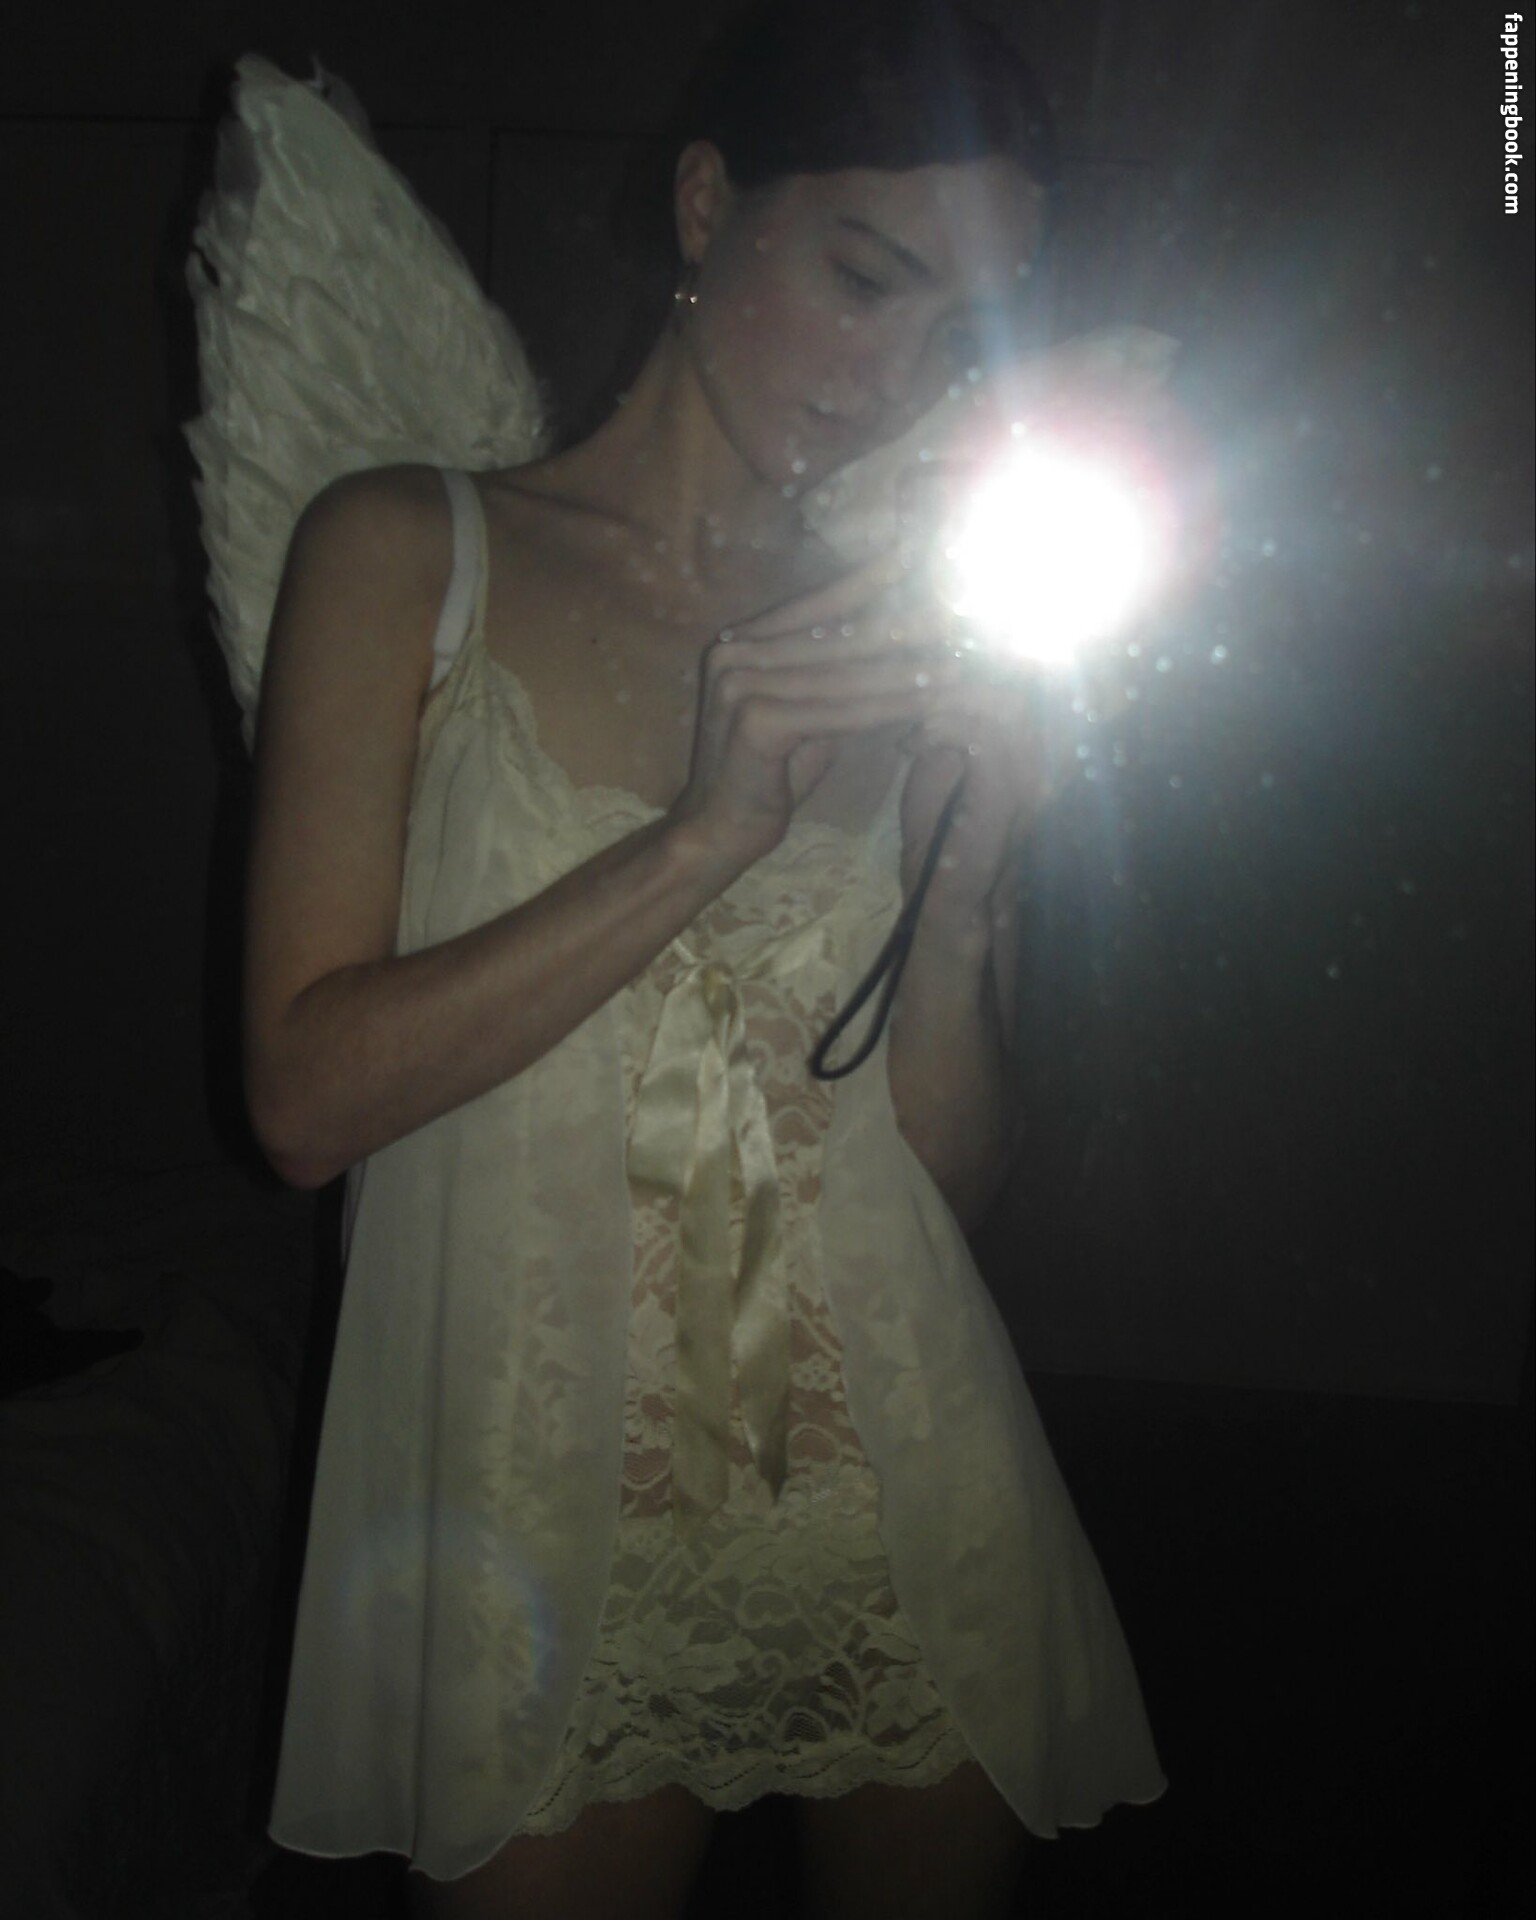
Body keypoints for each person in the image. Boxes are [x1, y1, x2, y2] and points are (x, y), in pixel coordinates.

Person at [247, 4, 1165, 1916]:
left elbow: (949, 1181)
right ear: (704, 203)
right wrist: (699, 840)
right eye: (864, 277)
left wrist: (966, 898)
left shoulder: (908, 626)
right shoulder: (408, 551)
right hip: (534, 1503)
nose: (898, 376)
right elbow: (306, 1101)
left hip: (892, 1459)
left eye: (961, 330)